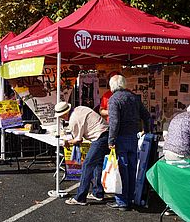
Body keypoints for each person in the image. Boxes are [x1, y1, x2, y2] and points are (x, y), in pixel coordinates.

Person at [106, 75, 150, 211]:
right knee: (131, 169)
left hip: (121, 137)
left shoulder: (114, 99)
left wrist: (111, 140)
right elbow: (146, 115)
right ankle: (130, 197)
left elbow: (114, 122)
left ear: (112, 86)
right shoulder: (133, 97)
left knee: (121, 170)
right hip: (133, 137)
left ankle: (122, 201)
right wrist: (146, 130)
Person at [53, 102, 109, 206]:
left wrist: (67, 142)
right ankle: (98, 193)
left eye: (61, 117)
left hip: (99, 137)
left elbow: (78, 140)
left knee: (87, 165)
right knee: (97, 164)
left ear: (64, 114)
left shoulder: (73, 120)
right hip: (105, 133)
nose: (61, 119)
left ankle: (80, 197)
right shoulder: (79, 108)